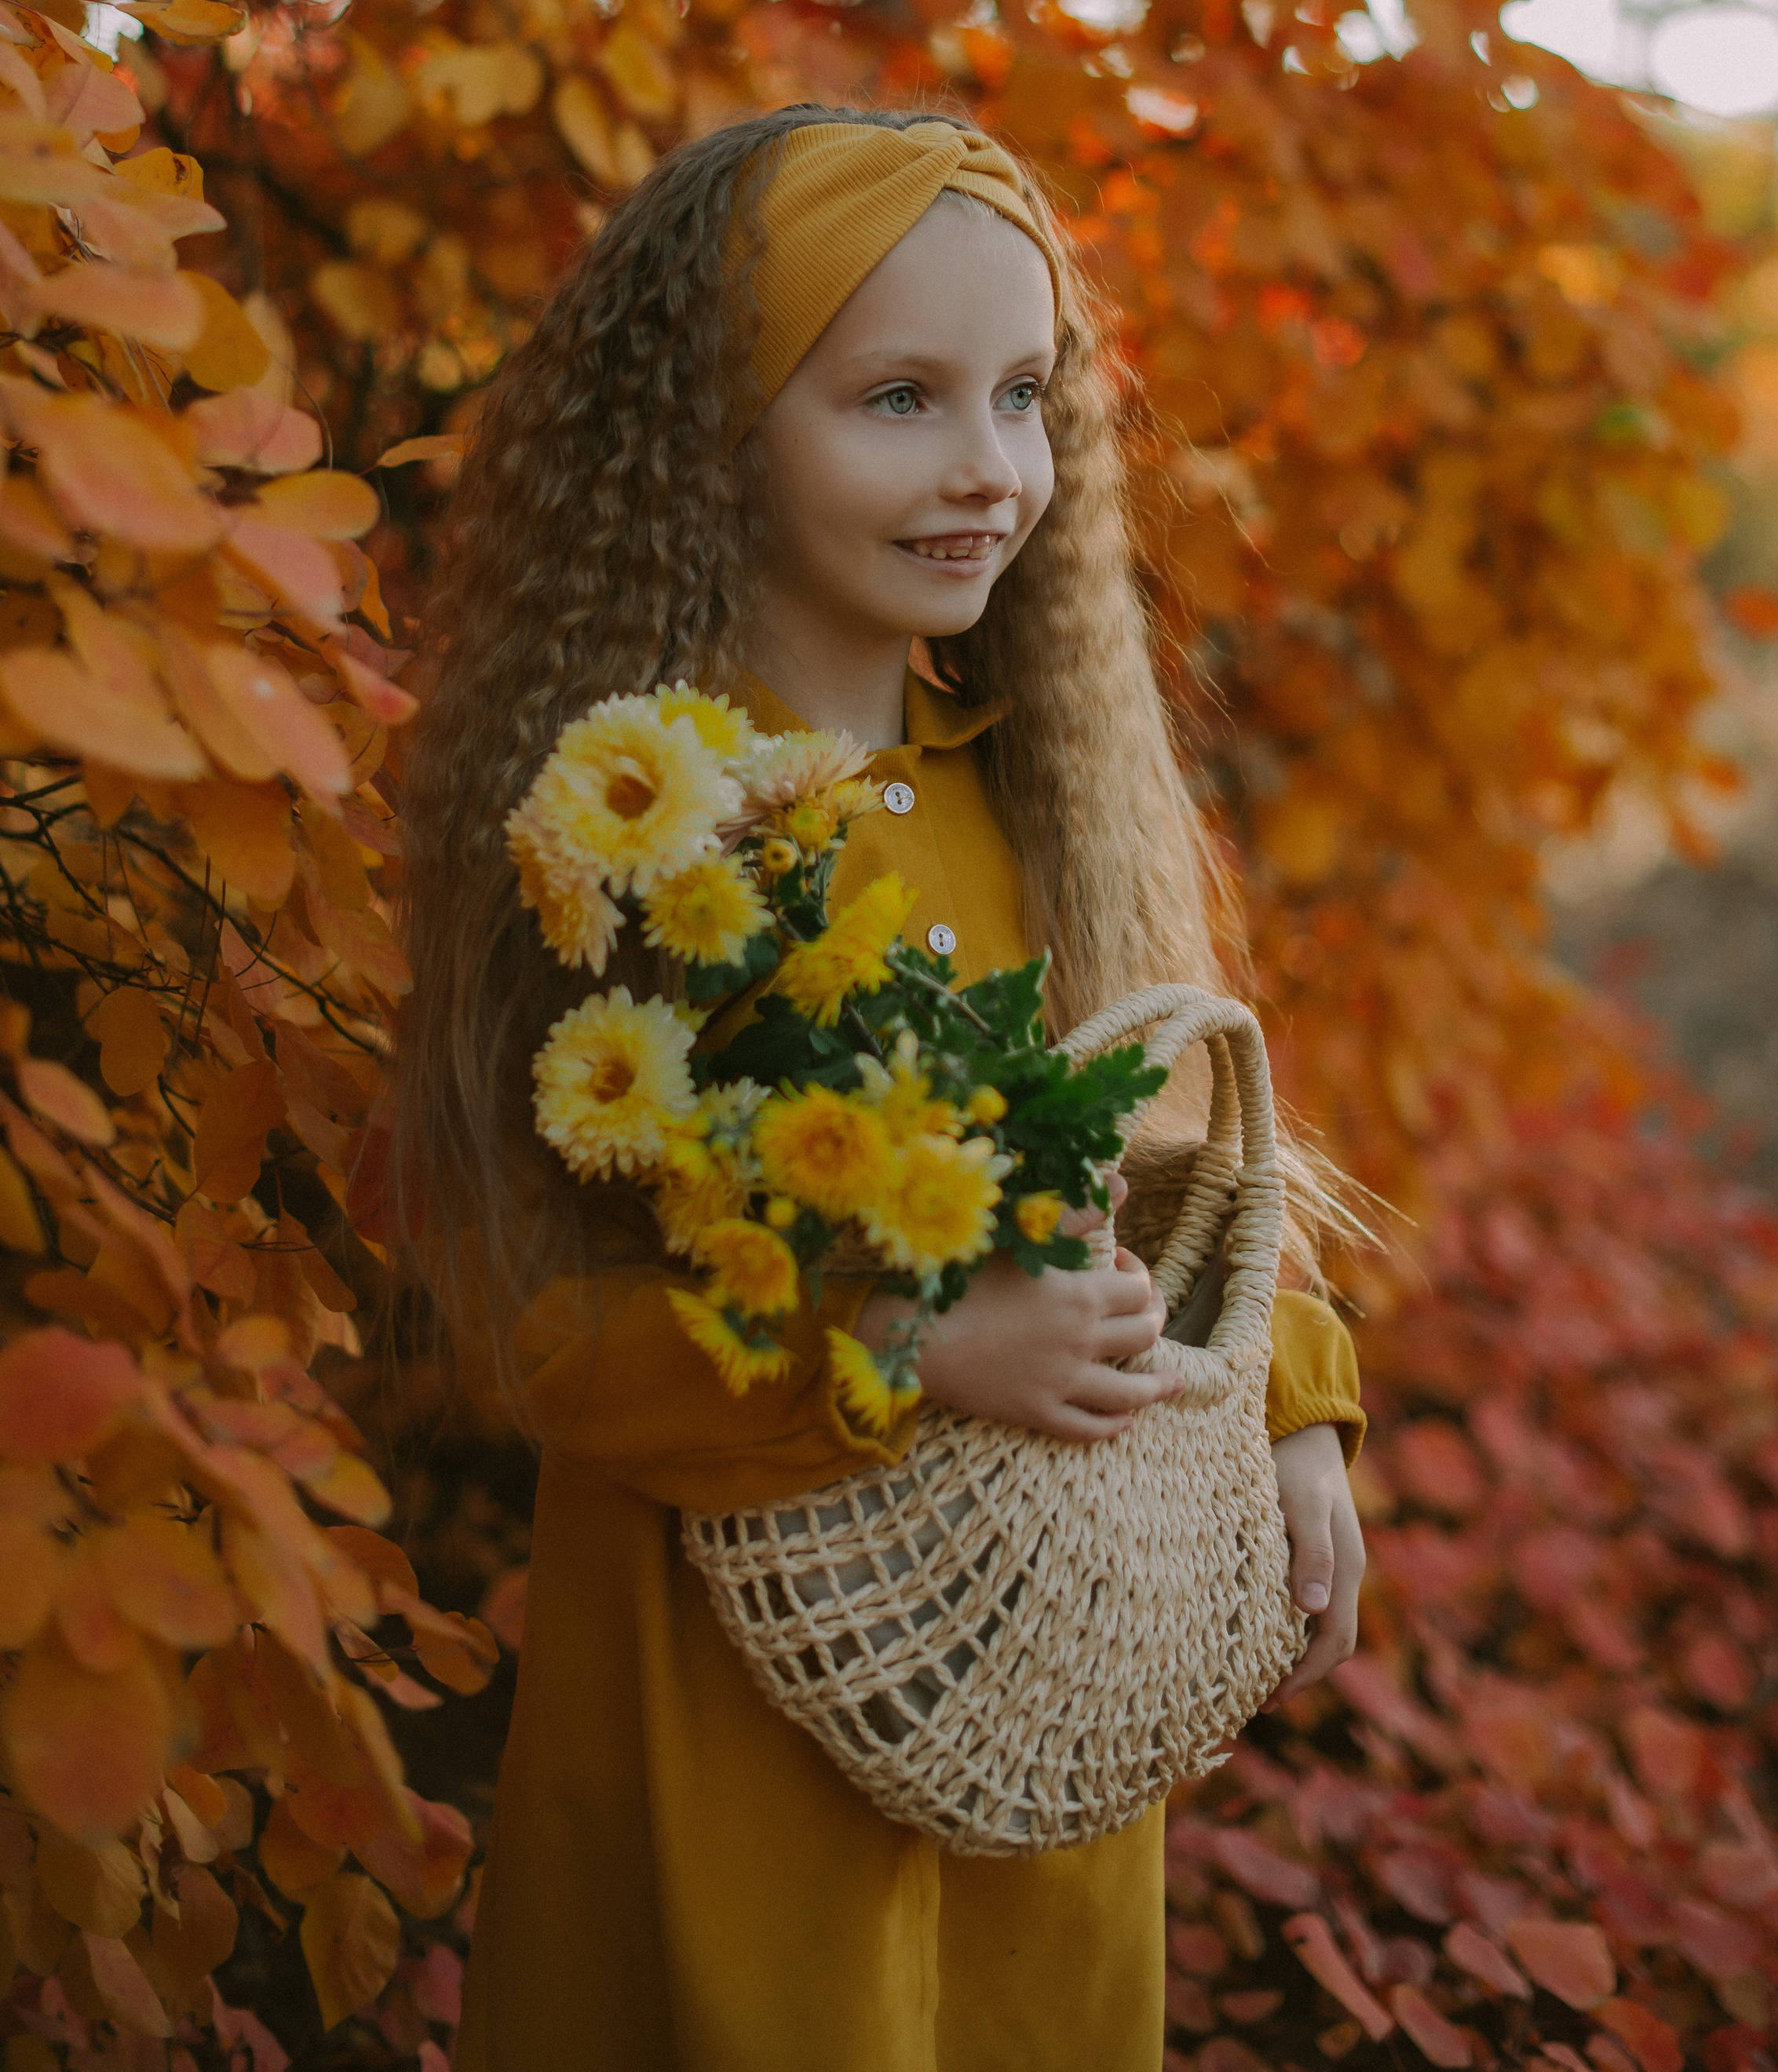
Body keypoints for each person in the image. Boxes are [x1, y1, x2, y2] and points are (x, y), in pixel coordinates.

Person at [394, 105, 1367, 2072]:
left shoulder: (1037, 799)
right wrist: (909, 1350)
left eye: (1022, 397)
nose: (987, 469)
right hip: (730, 1713)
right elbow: (537, 1328)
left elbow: (1163, 1171)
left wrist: (1287, 1399)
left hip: (1029, 1686)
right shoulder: (630, 836)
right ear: (706, 432)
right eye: (899, 399)